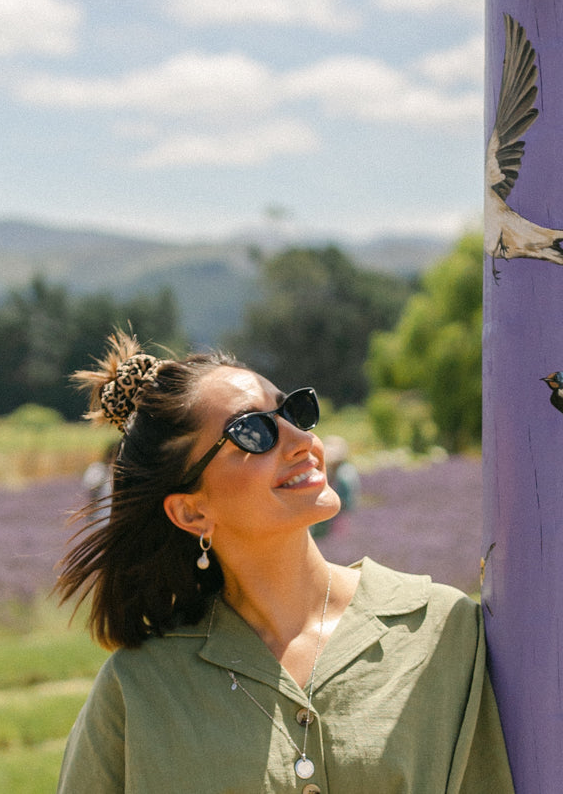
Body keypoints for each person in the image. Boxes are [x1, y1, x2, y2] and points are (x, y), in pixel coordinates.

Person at [56, 331, 514, 794]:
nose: (301, 440)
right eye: (254, 432)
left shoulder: (440, 628)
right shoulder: (138, 692)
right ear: (192, 512)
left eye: (293, 411)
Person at [310, 435, 360, 541]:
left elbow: (347, 500)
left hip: (339, 516)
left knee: (338, 540)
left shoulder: (345, 473)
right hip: (327, 517)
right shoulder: (330, 470)